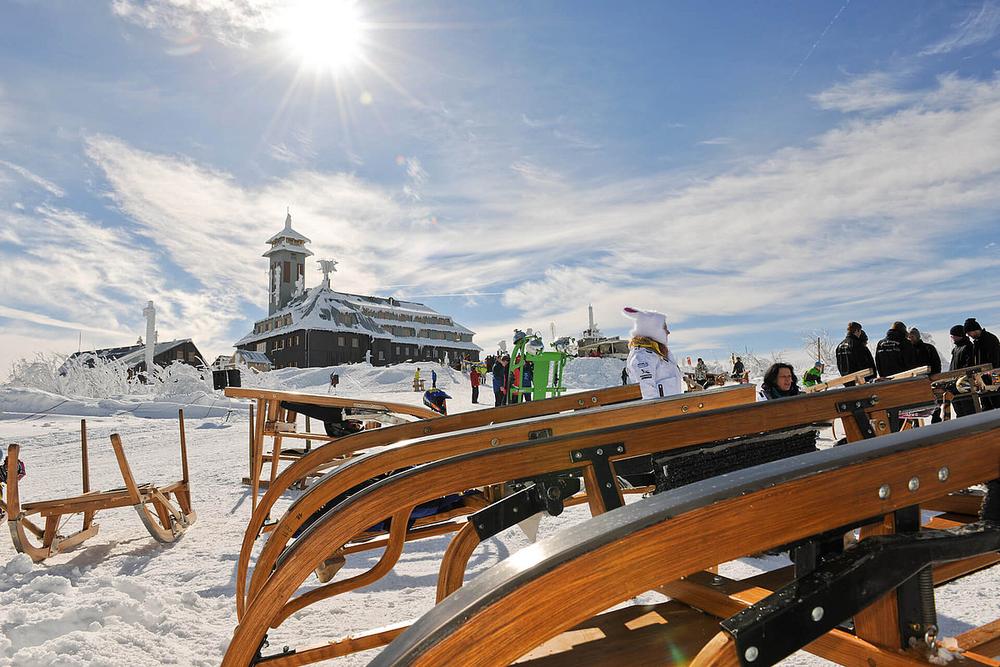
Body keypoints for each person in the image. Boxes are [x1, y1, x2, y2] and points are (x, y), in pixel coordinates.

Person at [622, 306, 684, 399]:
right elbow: (647, 392)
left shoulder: (660, 353)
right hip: (663, 407)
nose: (668, 332)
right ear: (653, 330)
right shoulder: (642, 357)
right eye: (664, 328)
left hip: (673, 404)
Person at [965, 318, 1000, 410]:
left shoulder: (990, 339)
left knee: (996, 399)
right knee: (985, 402)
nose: (968, 335)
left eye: (969, 332)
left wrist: (990, 374)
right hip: (982, 376)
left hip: (993, 374)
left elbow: (995, 360)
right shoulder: (977, 342)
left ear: (975, 330)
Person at [948, 324, 978, 417]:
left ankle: (972, 421)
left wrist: (961, 376)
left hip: (964, 381)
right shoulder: (956, 348)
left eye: (953, 335)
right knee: (958, 407)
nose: (952, 338)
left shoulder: (968, 346)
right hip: (954, 381)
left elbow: (969, 364)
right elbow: (953, 364)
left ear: (959, 335)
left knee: (967, 406)